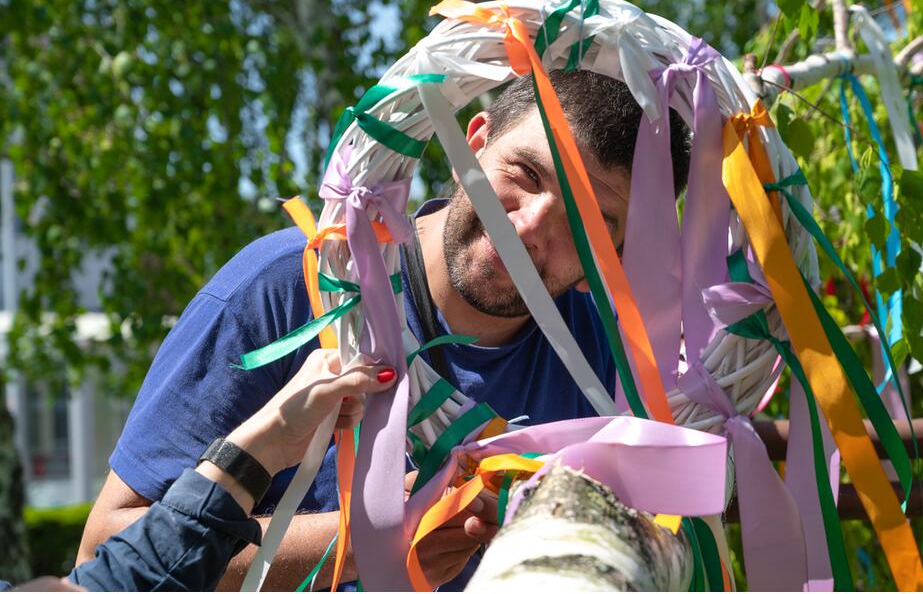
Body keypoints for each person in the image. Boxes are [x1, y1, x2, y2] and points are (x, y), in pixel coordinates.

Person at [78, 70, 692, 589]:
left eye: (587, 220)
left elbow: (676, 499)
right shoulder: (290, 286)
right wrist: (370, 544)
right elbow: (105, 553)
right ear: (472, 145)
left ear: (613, 255)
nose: (530, 226)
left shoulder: (615, 365)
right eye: (526, 174)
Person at [2, 348, 395, 592]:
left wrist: (270, 438)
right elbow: (103, 564)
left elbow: (115, 584)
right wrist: (376, 539)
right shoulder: (272, 280)